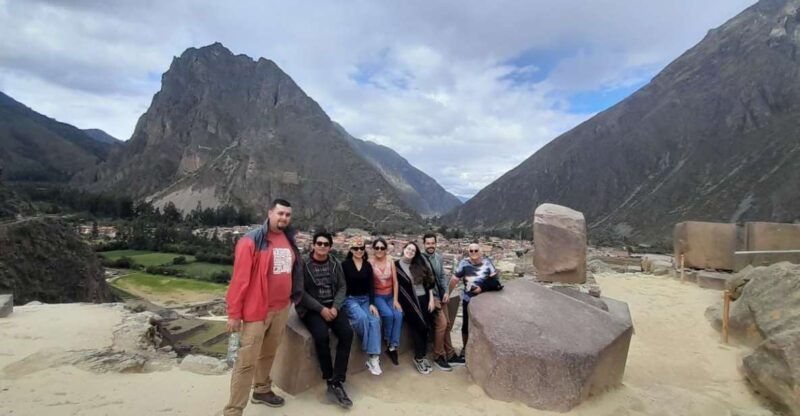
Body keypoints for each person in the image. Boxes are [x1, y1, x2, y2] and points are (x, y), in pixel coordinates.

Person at [223, 199, 304, 416]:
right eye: (280, 213)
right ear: (270, 213)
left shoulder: (288, 240)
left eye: (287, 214)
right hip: (257, 311)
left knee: (268, 353)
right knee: (246, 362)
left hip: (282, 308)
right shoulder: (251, 241)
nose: (284, 218)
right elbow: (239, 281)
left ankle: (261, 390)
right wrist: (233, 314)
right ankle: (233, 410)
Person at [297, 231, 354, 408]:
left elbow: (342, 287)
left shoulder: (335, 263)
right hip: (312, 309)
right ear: (313, 245)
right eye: (319, 243)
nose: (322, 247)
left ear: (330, 247)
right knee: (321, 336)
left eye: (325, 244)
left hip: (333, 307)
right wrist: (321, 309)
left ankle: (338, 378)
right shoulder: (303, 264)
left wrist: (335, 307)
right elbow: (300, 292)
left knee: (347, 333)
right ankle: (329, 376)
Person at [421, 233, 464, 371]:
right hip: (430, 298)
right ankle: (438, 356)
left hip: (441, 295)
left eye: (432, 243)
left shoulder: (438, 257)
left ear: (435, 243)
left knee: (447, 324)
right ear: (424, 244)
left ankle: (450, 355)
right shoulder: (420, 260)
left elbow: (441, 277)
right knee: (442, 324)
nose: (430, 246)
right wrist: (432, 298)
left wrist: (446, 291)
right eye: (428, 243)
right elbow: (421, 282)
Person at [341, 236, 383, 375]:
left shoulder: (367, 265)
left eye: (361, 248)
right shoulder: (345, 265)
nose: (359, 250)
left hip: (365, 299)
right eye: (356, 248)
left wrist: (372, 303)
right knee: (362, 319)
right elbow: (342, 286)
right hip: (350, 299)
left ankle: (374, 358)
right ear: (351, 250)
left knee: (375, 320)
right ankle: (370, 351)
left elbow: (371, 286)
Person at [450, 243, 500, 356]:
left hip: (484, 300)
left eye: (476, 250)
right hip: (468, 299)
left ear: (480, 251)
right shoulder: (463, 263)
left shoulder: (488, 263)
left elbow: (495, 280)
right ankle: (465, 349)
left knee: (483, 326)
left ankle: (482, 350)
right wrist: (447, 294)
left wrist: (481, 288)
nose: (473, 253)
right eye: (471, 250)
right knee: (466, 325)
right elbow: (454, 279)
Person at [394, 241, 436, 374]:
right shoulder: (395, 266)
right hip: (409, 301)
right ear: (403, 249)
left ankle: (421, 356)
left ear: (415, 254)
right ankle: (419, 358)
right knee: (420, 326)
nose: (410, 251)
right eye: (408, 249)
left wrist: (431, 299)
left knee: (425, 326)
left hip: (424, 299)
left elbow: (429, 282)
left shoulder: (418, 264)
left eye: (413, 250)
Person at [368, 237, 403, 365]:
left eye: (382, 248)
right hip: (377, 296)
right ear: (373, 249)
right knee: (388, 314)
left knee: (398, 314)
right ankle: (388, 340)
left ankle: (393, 346)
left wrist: (395, 299)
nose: (379, 250)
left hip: (390, 295)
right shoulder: (370, 263)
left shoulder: (390, 261)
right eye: (377, 247)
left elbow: (395, 281)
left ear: (385, 249)